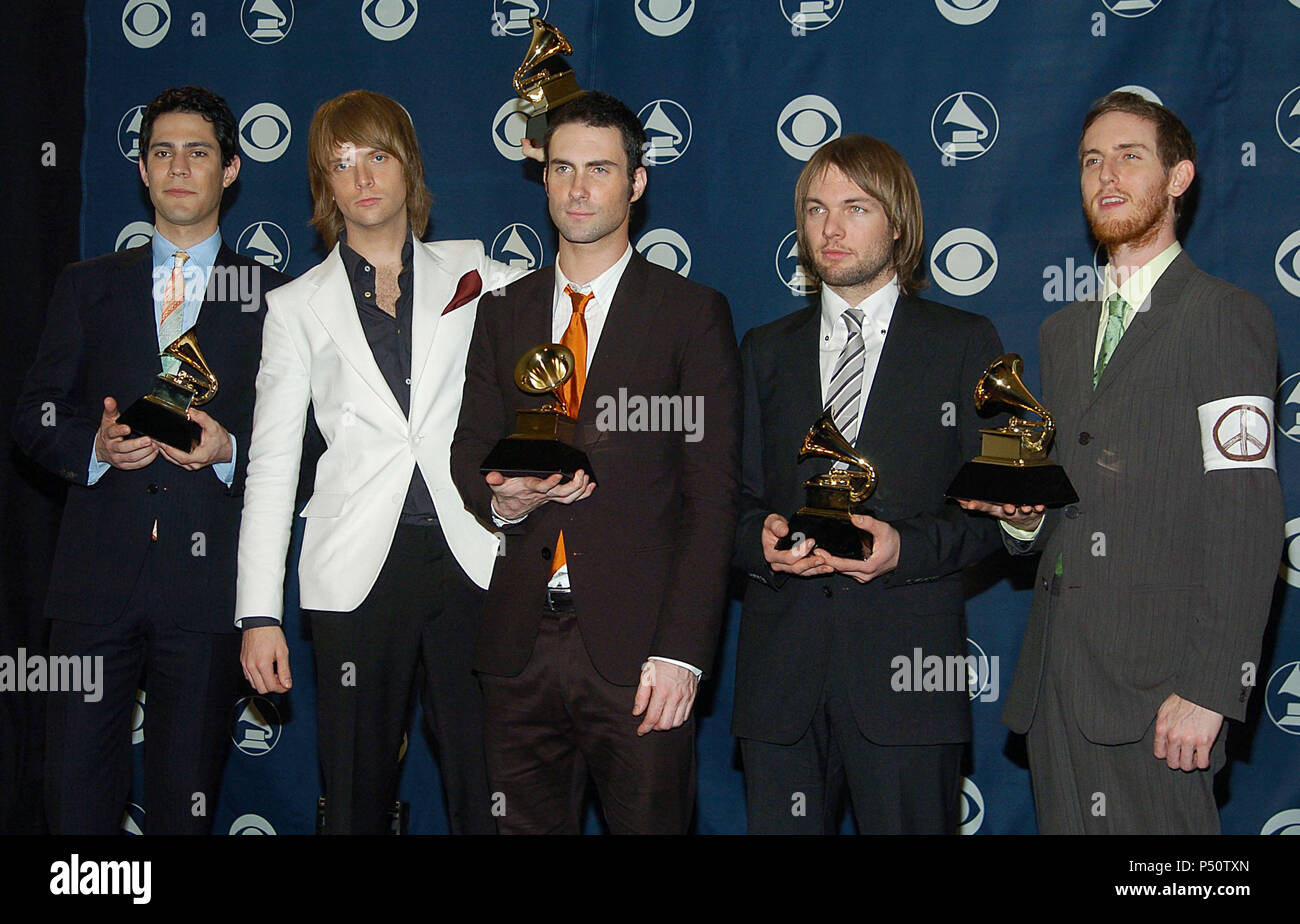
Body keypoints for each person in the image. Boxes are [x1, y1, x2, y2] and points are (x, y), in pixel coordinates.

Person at [959, 91, 1283, 834]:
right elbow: (1069, 504)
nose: (1106, 173)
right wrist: (1024, 517)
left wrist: (1210, 688)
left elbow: (1246, 517)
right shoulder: (1062, 333)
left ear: (1178, 178)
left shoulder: (1226, 316)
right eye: (1091, 161)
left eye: (1130, 156)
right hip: (1057, 686)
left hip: (1162, 691)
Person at [450, 91, 741, 834]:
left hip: (640, 653)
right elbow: (468, 450)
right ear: (542, 178)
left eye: (600, 169)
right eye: (562, 168)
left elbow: (711, 500)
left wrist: (682, 653)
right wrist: (505, 502)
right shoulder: (503, 309)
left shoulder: (690, 313)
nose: (579, 188)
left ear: (635, 183)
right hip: (516, 645)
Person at [235, 90, 524, 834]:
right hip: (355, 569)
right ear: (323, 185)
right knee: (356, 793)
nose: (361, 176)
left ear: (408, 168)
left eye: (376, 156)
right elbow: (270, 463)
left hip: (471, 554)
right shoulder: (297, 306)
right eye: (340, 163)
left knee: (487, 783)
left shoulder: (480, 275)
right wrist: (259, 612)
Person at [12, 86, 288, 833]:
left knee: (184, 804)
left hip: (204, 589)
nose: (178, 167)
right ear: (141, 170)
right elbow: (34, 413)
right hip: (93, 581)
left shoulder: (277, 299)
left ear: (229, 170)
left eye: (198, 152)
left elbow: (311, 442)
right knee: (73, 799)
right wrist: (93, 448)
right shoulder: (85, 285)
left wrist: (231, 451)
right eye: (162, 152)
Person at [732, 134, 1005, 834]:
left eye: (855, 207)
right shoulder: (764, 350)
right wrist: (757, 541)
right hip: (780, 683)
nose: (831, 228)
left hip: (908, 681)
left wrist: (902, 550)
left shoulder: (964, 342)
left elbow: (995, 514)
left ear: (899, 224)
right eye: (817, 208)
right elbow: (727, 500)